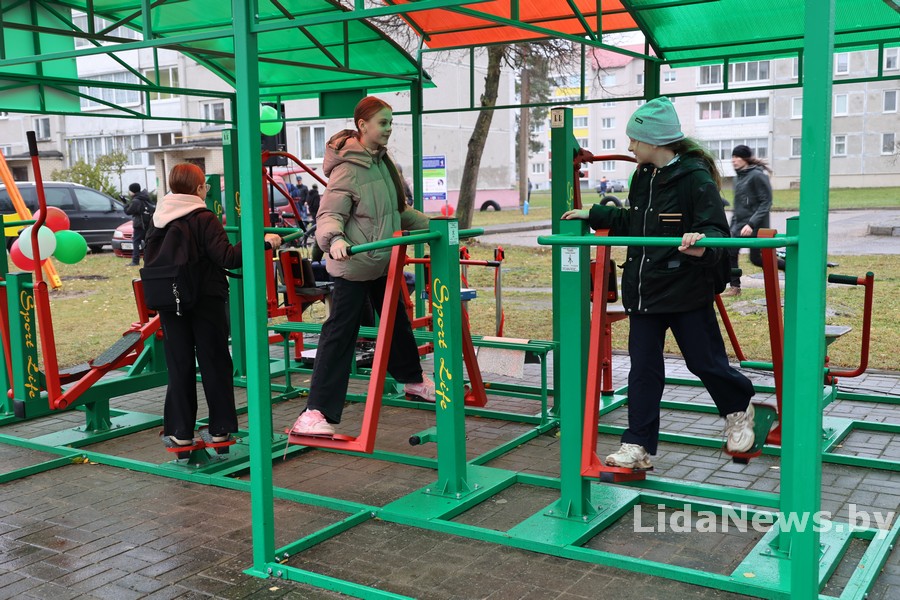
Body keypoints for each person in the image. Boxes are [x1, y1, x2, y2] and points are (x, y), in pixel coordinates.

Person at [562, 97, 756, 470]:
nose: (630, 146)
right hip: (646, 291)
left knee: (705, 362)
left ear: (654, 142)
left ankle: (739, 409)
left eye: (635, 140)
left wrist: (701, 244)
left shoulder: (695, 178)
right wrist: (595, 214)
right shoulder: (643, 177)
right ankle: (638, 446)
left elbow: (717, 232)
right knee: (644, 370)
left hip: (685, 290)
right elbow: (637, 222)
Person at [289, 96, 433, 437]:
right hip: (353, 265)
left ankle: (412, 380)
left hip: (380, 263)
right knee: (340, 334)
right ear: (362, 126)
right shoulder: (347, 169)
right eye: (382, 123)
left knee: (396, 322)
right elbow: (328, 215)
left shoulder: (384, 165)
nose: (388, 129)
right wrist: (334, 240)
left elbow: (398, 213)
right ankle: (313, 413)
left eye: (390, 123)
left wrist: (439, 226)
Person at [145, 163, 282, 451]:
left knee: (179, 365)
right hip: (206, 299)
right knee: (214, 363)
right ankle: (220, 431)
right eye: (204, 185)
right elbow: (228, 257)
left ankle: (181, 432)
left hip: (170, 301)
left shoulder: (158, 218)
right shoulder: (203, 217)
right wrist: (264, 242)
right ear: (198, 188)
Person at [723, 144, 781, 296]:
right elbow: (738, 207)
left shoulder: (757, 176)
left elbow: (766, 202)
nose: (733, 160)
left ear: (745, 159)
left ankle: (792, 268)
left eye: (737, 157)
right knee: (730, 252)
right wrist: (731, 226)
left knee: (756, 259)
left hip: (755, 226)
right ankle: (735, 287)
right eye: (733, 157)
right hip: (739, 225)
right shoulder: (737, 179)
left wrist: (751, 223)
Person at [124, 183, 152, 266]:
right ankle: (149, 259)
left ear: (132, 191)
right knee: (147, 242)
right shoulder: (144, 197)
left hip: (139, 224)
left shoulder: (136, 200)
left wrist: (125, 204)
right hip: (147, 223)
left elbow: (128, 211)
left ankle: (135, 261)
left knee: (136, 242)